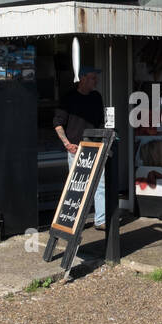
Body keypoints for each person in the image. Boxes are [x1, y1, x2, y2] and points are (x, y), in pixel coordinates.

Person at [53, 65, 105, 227]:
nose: (95, 81)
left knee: (100, 184)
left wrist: (105, 139)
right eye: (92, 78)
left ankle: (101, 220)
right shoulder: (69, 98)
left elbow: (101, 122)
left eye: (95, 78)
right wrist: (67, 144)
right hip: (77, 149)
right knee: (78, 186)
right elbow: (58, 124)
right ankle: (75, 221)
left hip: (95, 146)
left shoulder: (96, 97)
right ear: (82, 78)